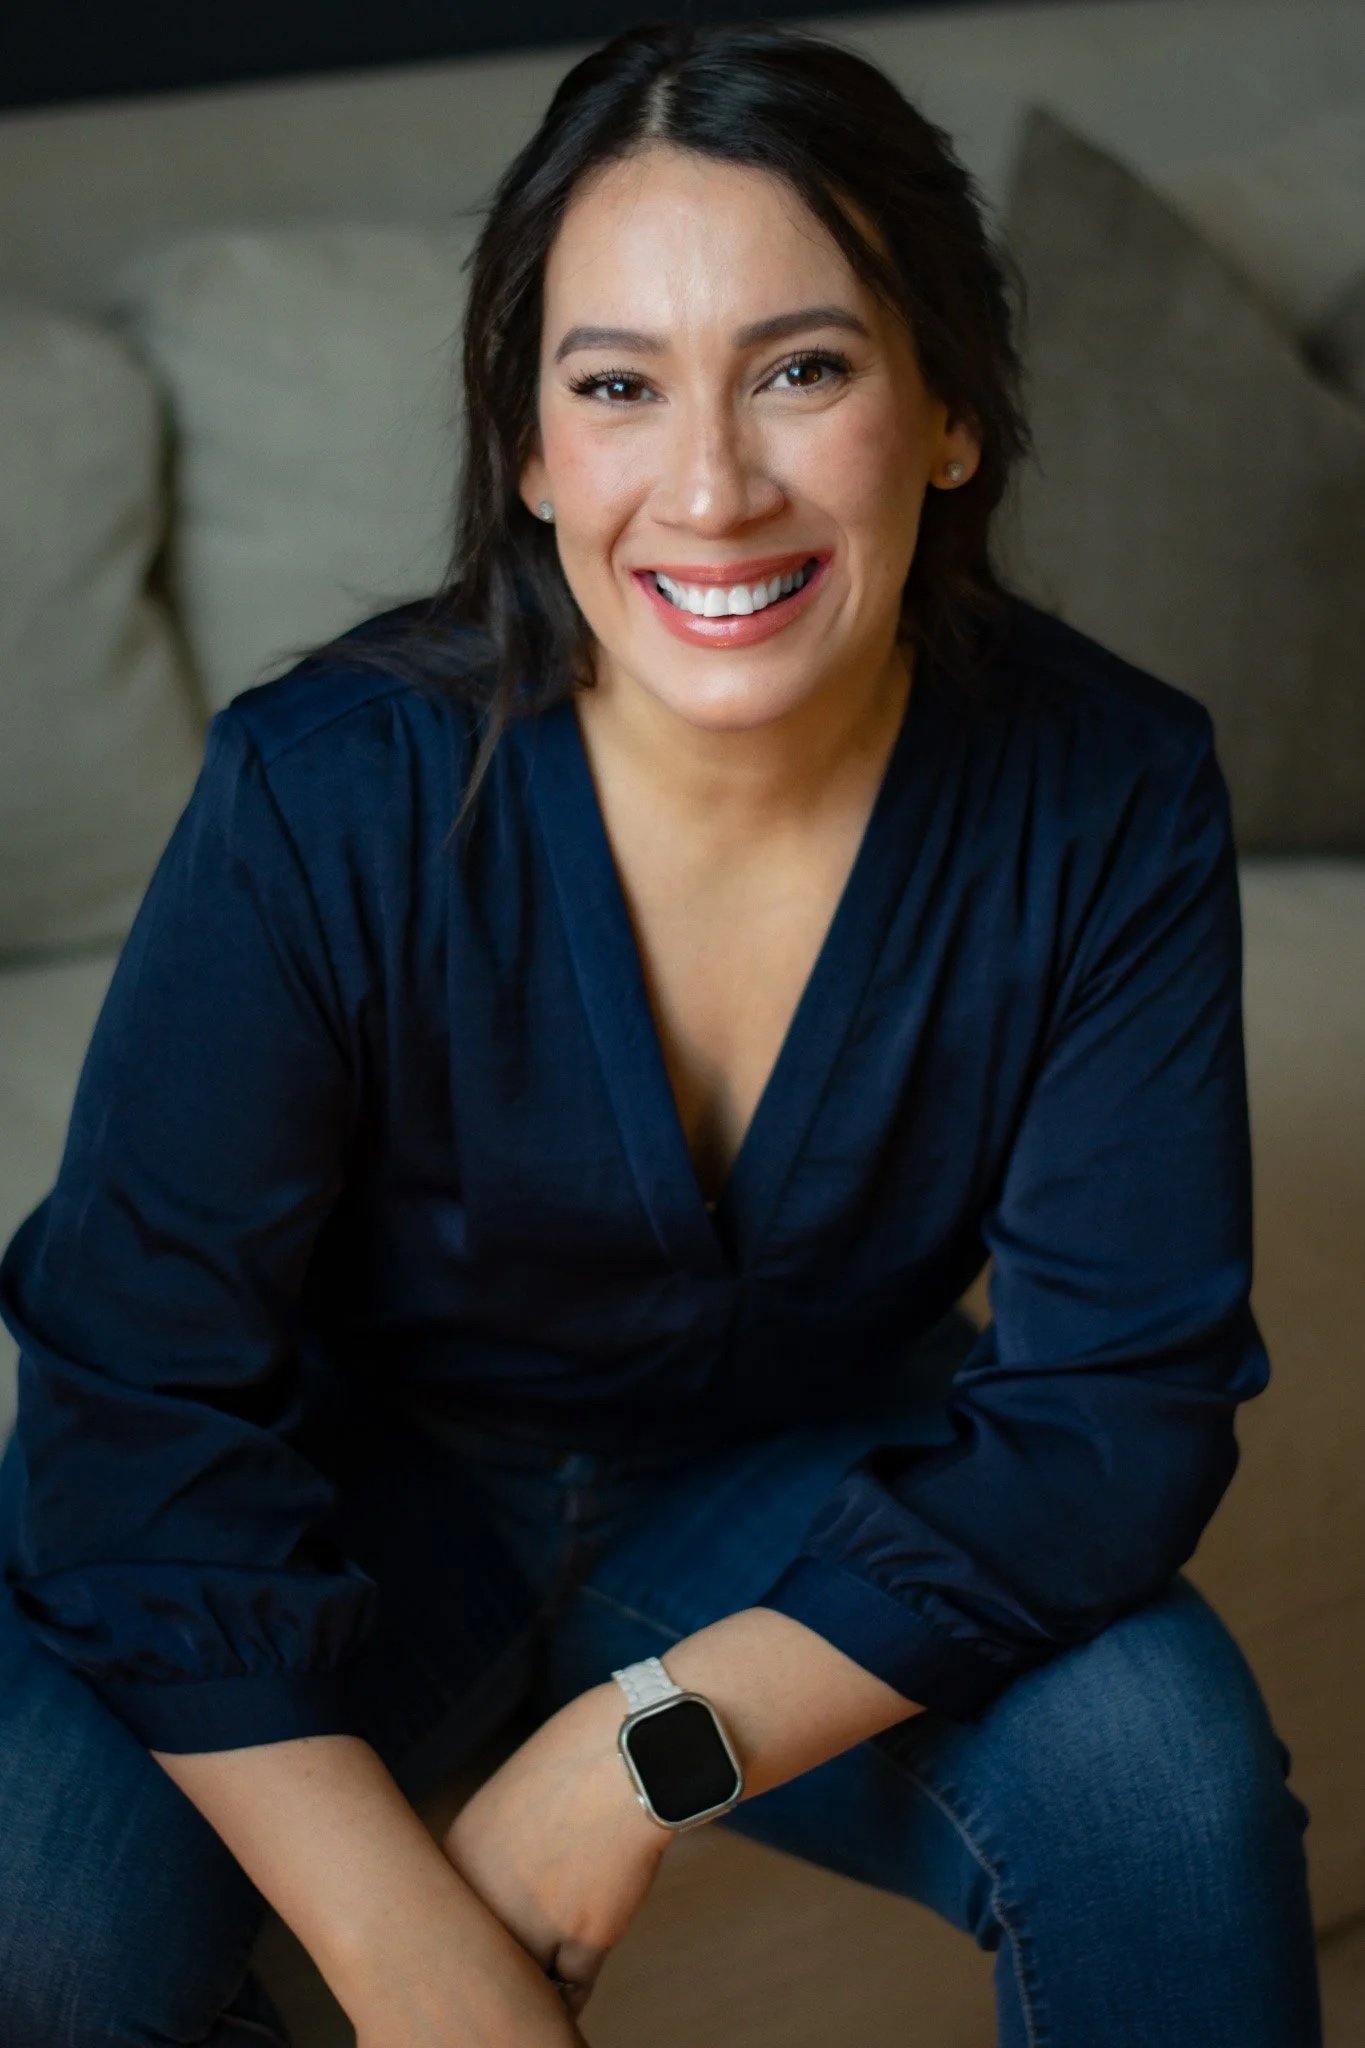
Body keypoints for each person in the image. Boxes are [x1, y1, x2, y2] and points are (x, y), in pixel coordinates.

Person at [0, 18, 1323, 2047]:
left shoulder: (1102, 790)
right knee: (46, 1928)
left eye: (801, 368)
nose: (707, 487)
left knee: (1164, 1789)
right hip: (332, 1478)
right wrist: (403, 1942)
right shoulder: (322, 790)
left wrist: (638, 1757)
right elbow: (131, 1409)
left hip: (783, 1473)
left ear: (948, 407)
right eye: (615, 386)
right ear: (529, 450)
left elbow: (1106, 1412)